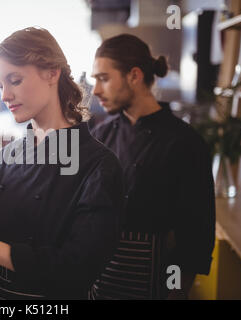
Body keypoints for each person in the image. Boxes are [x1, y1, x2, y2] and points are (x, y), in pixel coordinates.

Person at [0, 27, 123, 299]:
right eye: (0, 85)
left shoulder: (99, 166)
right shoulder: (8, 156)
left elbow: (76, 270)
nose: (4, 95)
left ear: (53, 73)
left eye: (14, 80)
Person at [89, 34, 215, 299]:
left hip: (153, 283)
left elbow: (195, 236)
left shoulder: (184, 142)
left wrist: (176, 293)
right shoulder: (99, 137)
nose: (95, 91)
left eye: (103, 78)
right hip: (99, 282)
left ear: (134, 76)